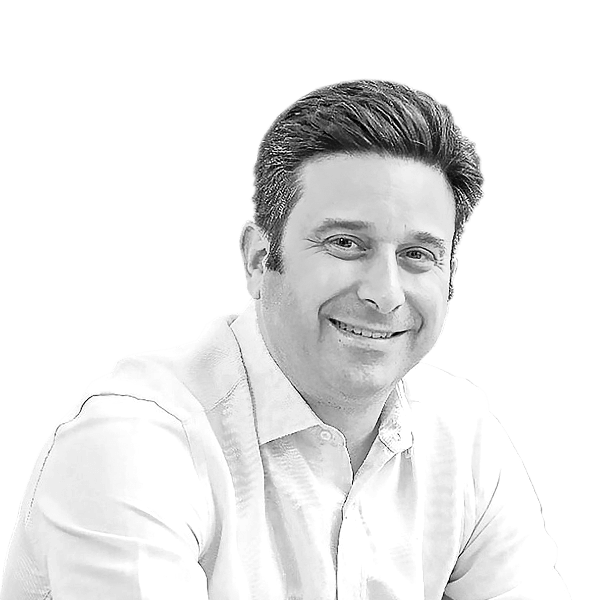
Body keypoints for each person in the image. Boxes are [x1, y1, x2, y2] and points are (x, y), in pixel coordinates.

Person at [0, 79, 570, 599]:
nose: (385, 293)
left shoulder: (463, 433)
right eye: (346, 244)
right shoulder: (133, 441)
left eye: (418, 255)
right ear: (257, 258)